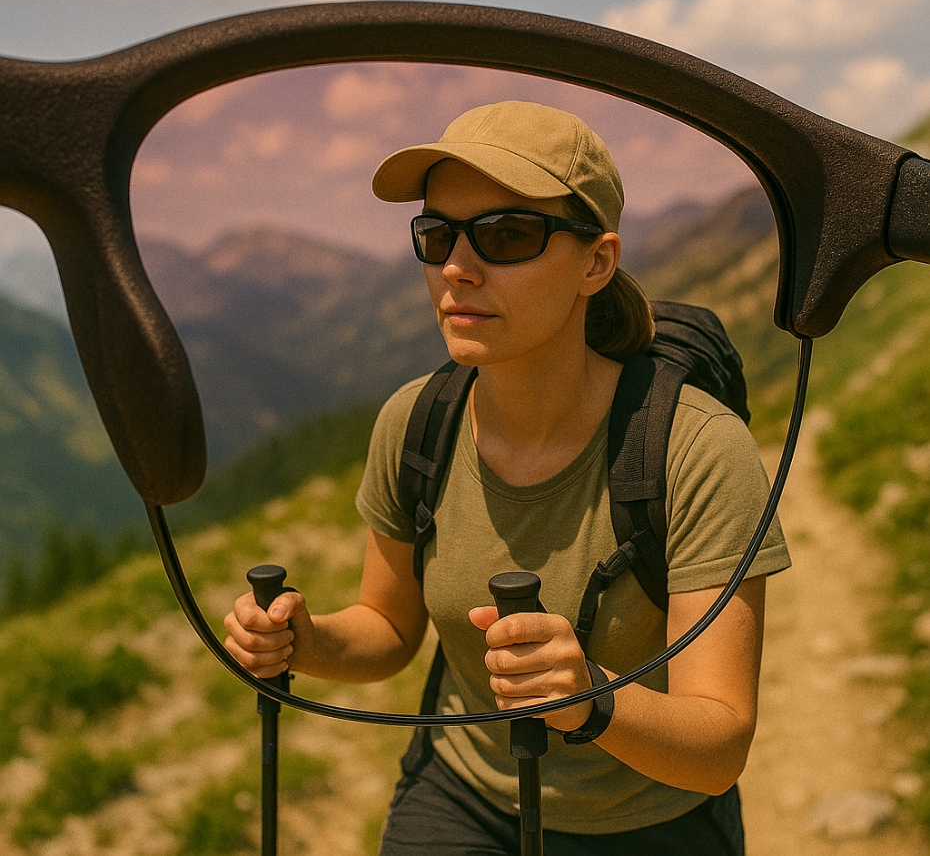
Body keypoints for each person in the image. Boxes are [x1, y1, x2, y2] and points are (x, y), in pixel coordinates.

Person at [224, 100, 791, 855]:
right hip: (462, 794)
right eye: (437, 235)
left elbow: (719, 746)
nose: (457, 266)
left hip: (653, 824)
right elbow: (389, 629)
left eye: (508, 236)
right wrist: (305, 639)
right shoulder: (416, 423)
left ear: (597, 262)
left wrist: (587, 697)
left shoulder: (695, 450)